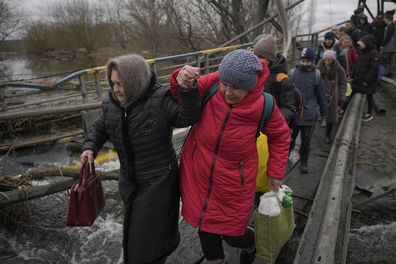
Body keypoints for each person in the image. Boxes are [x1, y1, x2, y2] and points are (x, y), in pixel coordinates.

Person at [169, 49, 290, 264]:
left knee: (233, 234)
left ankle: (251, 243)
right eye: (225, 84)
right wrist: (181, 76)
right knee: (205, 227)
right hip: (200, 174)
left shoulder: (264, 105)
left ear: (251, 86)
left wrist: (276, 172)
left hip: (234, 183)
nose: (227, 91)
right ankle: (216, 260)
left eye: (236, 87)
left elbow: (280, 136)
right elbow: (180, 94)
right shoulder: (214, 83)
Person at [80, 54, 201, 264]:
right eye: (113, 83)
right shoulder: (111, 102)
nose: (116, 89)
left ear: (135, 81)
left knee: (139, 240)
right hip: (128, 182)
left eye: (121, 83)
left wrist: (187, 91)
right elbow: (100, 126)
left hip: (159, 180)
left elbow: (187, 117)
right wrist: (90, 147)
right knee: (146, 235)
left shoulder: (159, 98)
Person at [289, 47, 328, 173]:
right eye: (303, 60)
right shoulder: (293, 73)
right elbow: (287, 93)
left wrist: (324, 112)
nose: (305, 63)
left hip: (309, 113)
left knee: (306, 141)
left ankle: (304, 160)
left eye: (308, 61)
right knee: (290, 138)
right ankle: (285, 157)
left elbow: (321, 95)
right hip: (294, 113)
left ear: (312, 61)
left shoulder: (316, 75)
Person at [253, 34, 296, 125]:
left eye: (261, 57)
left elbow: (289, 109)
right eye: (255, 56)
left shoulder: (282, 80)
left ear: (270, 58)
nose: (257, 59)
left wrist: (272, 119)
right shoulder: (252, 73)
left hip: (270, 125)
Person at [317, 50, 347, 144]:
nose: (327, 62)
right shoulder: (318, 68)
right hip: (321, 94)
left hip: (333, 95)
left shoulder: (339, 69)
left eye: (329, 60)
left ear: (333, 60)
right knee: (317, 113)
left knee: (331, 117)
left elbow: (343, 83)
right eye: (325, 60)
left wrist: (341, 97)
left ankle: (328, 135)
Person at [351, 34, 380, 121]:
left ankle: (369, 113)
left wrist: (367, 80)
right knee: (352, 91)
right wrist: (353, 73)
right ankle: (343, 108)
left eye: (362, 43)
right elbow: (357, 63)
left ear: (368, 43)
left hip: (367, 80)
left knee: (369, 95)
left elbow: (373, 68)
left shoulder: (374, 53)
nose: (360, 45)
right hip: (358, 77)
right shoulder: (361, 51)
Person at [382, 10, 396, 77]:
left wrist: (383, 44)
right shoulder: (393, 26)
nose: (384, 20)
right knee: (391, 61)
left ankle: (387, 73)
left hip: (388, 47)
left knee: (386, 61)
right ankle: (391, 73)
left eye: (384, 18)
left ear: (387, 19)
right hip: (393, 47)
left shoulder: (390, 26)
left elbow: (387, 37)